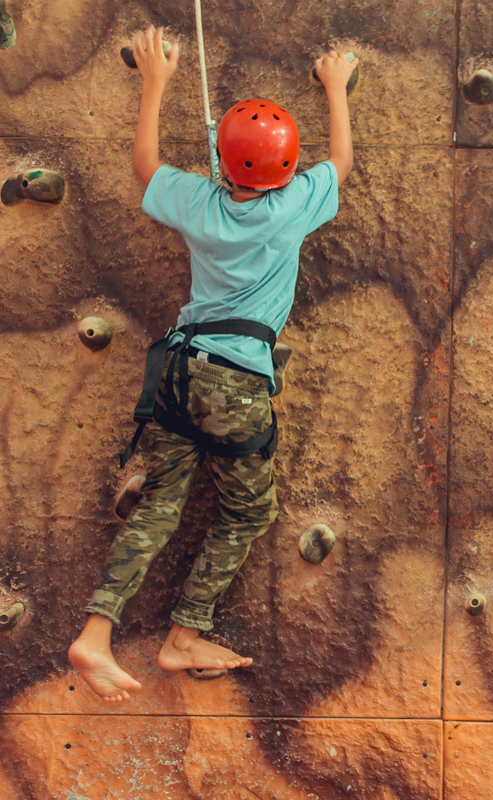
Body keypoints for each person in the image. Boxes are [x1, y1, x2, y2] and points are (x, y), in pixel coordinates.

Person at [67, 26, 356, 702]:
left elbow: (144, 165)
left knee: (161, 502)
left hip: (177, 369)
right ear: (286, 172)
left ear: (222, 164)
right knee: (249, 510)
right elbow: (340, 162)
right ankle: (184, 631)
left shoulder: (199, 203)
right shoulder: (291, 209)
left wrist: (156, 82)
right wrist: (337, 89)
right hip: (234, 382)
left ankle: (95, 634)